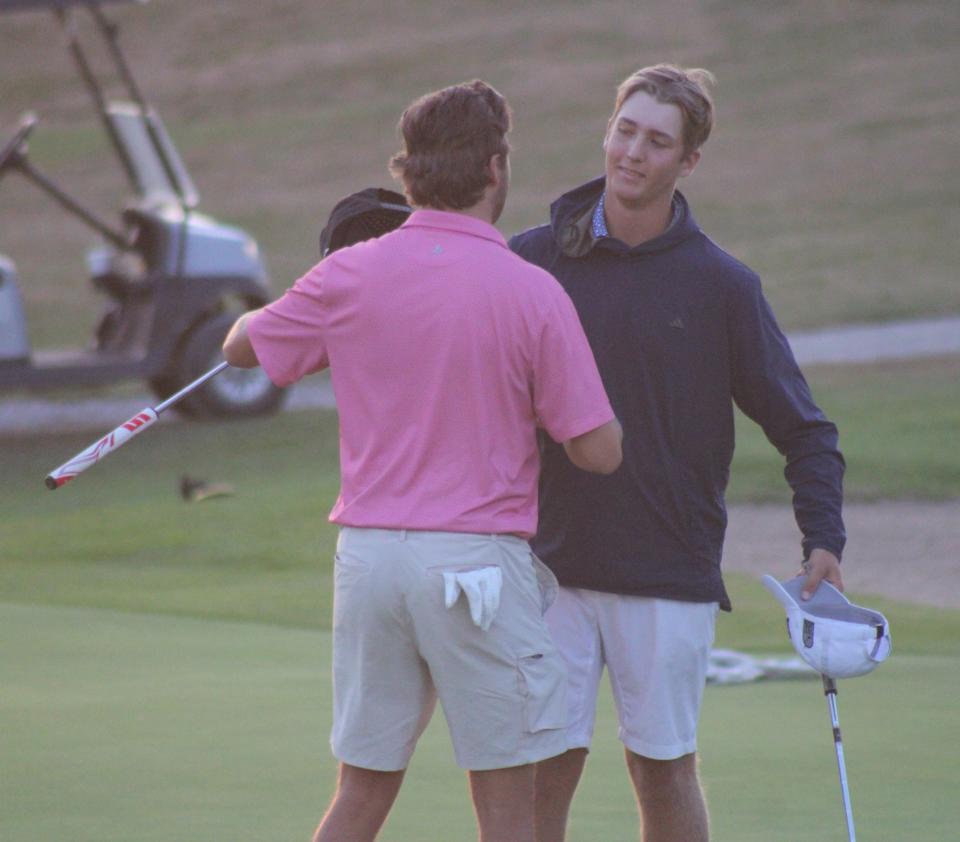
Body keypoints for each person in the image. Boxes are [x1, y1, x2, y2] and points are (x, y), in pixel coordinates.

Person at [222, 79, 623, 842]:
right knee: (507, 798)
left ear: (409, 174)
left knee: (363, 789)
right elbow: (597, 451)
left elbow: (243, 349)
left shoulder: (348, 273)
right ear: (496, 168)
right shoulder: (530, 289)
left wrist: (260, 314)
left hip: (369, 562)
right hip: (474, 565)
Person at [509, 64, 846, 842]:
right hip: (545, 567)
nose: (633, 152)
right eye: (625, 130)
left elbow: (805, 429)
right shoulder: (532, 261)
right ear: (607, 130)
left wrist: (823, 538)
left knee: (662, 770)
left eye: (657, 141)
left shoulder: (721, 286)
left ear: (687, 162)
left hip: (667, 568)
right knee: (536, 769)